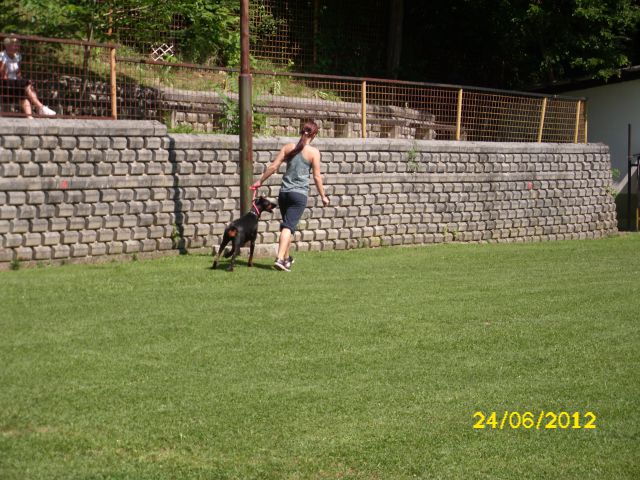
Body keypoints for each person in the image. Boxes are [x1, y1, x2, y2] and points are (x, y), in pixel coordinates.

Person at [252, 120, 330, 272]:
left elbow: (273, 167)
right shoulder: (314, 152)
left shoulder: (288, 147)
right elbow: (317, 177)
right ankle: (280, 258)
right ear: (314, 134)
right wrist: (323, 196)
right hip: (298, 195)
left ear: (301, 132)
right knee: (288, 227)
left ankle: (286, 259)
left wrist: (259, 181)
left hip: (284, 194)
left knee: (287, 225)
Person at [0, 35, 56, 118]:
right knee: (26, 85)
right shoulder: (2, 55)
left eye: (18, 45)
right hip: (4, 83)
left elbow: (18, 72)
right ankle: (41, 107)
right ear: (7, 46)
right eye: (14, 45)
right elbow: (2, 74)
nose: (17, 47)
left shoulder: (18, 56)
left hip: (15, 83)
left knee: (24, 96)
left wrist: (20, 82)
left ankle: (30, 118)